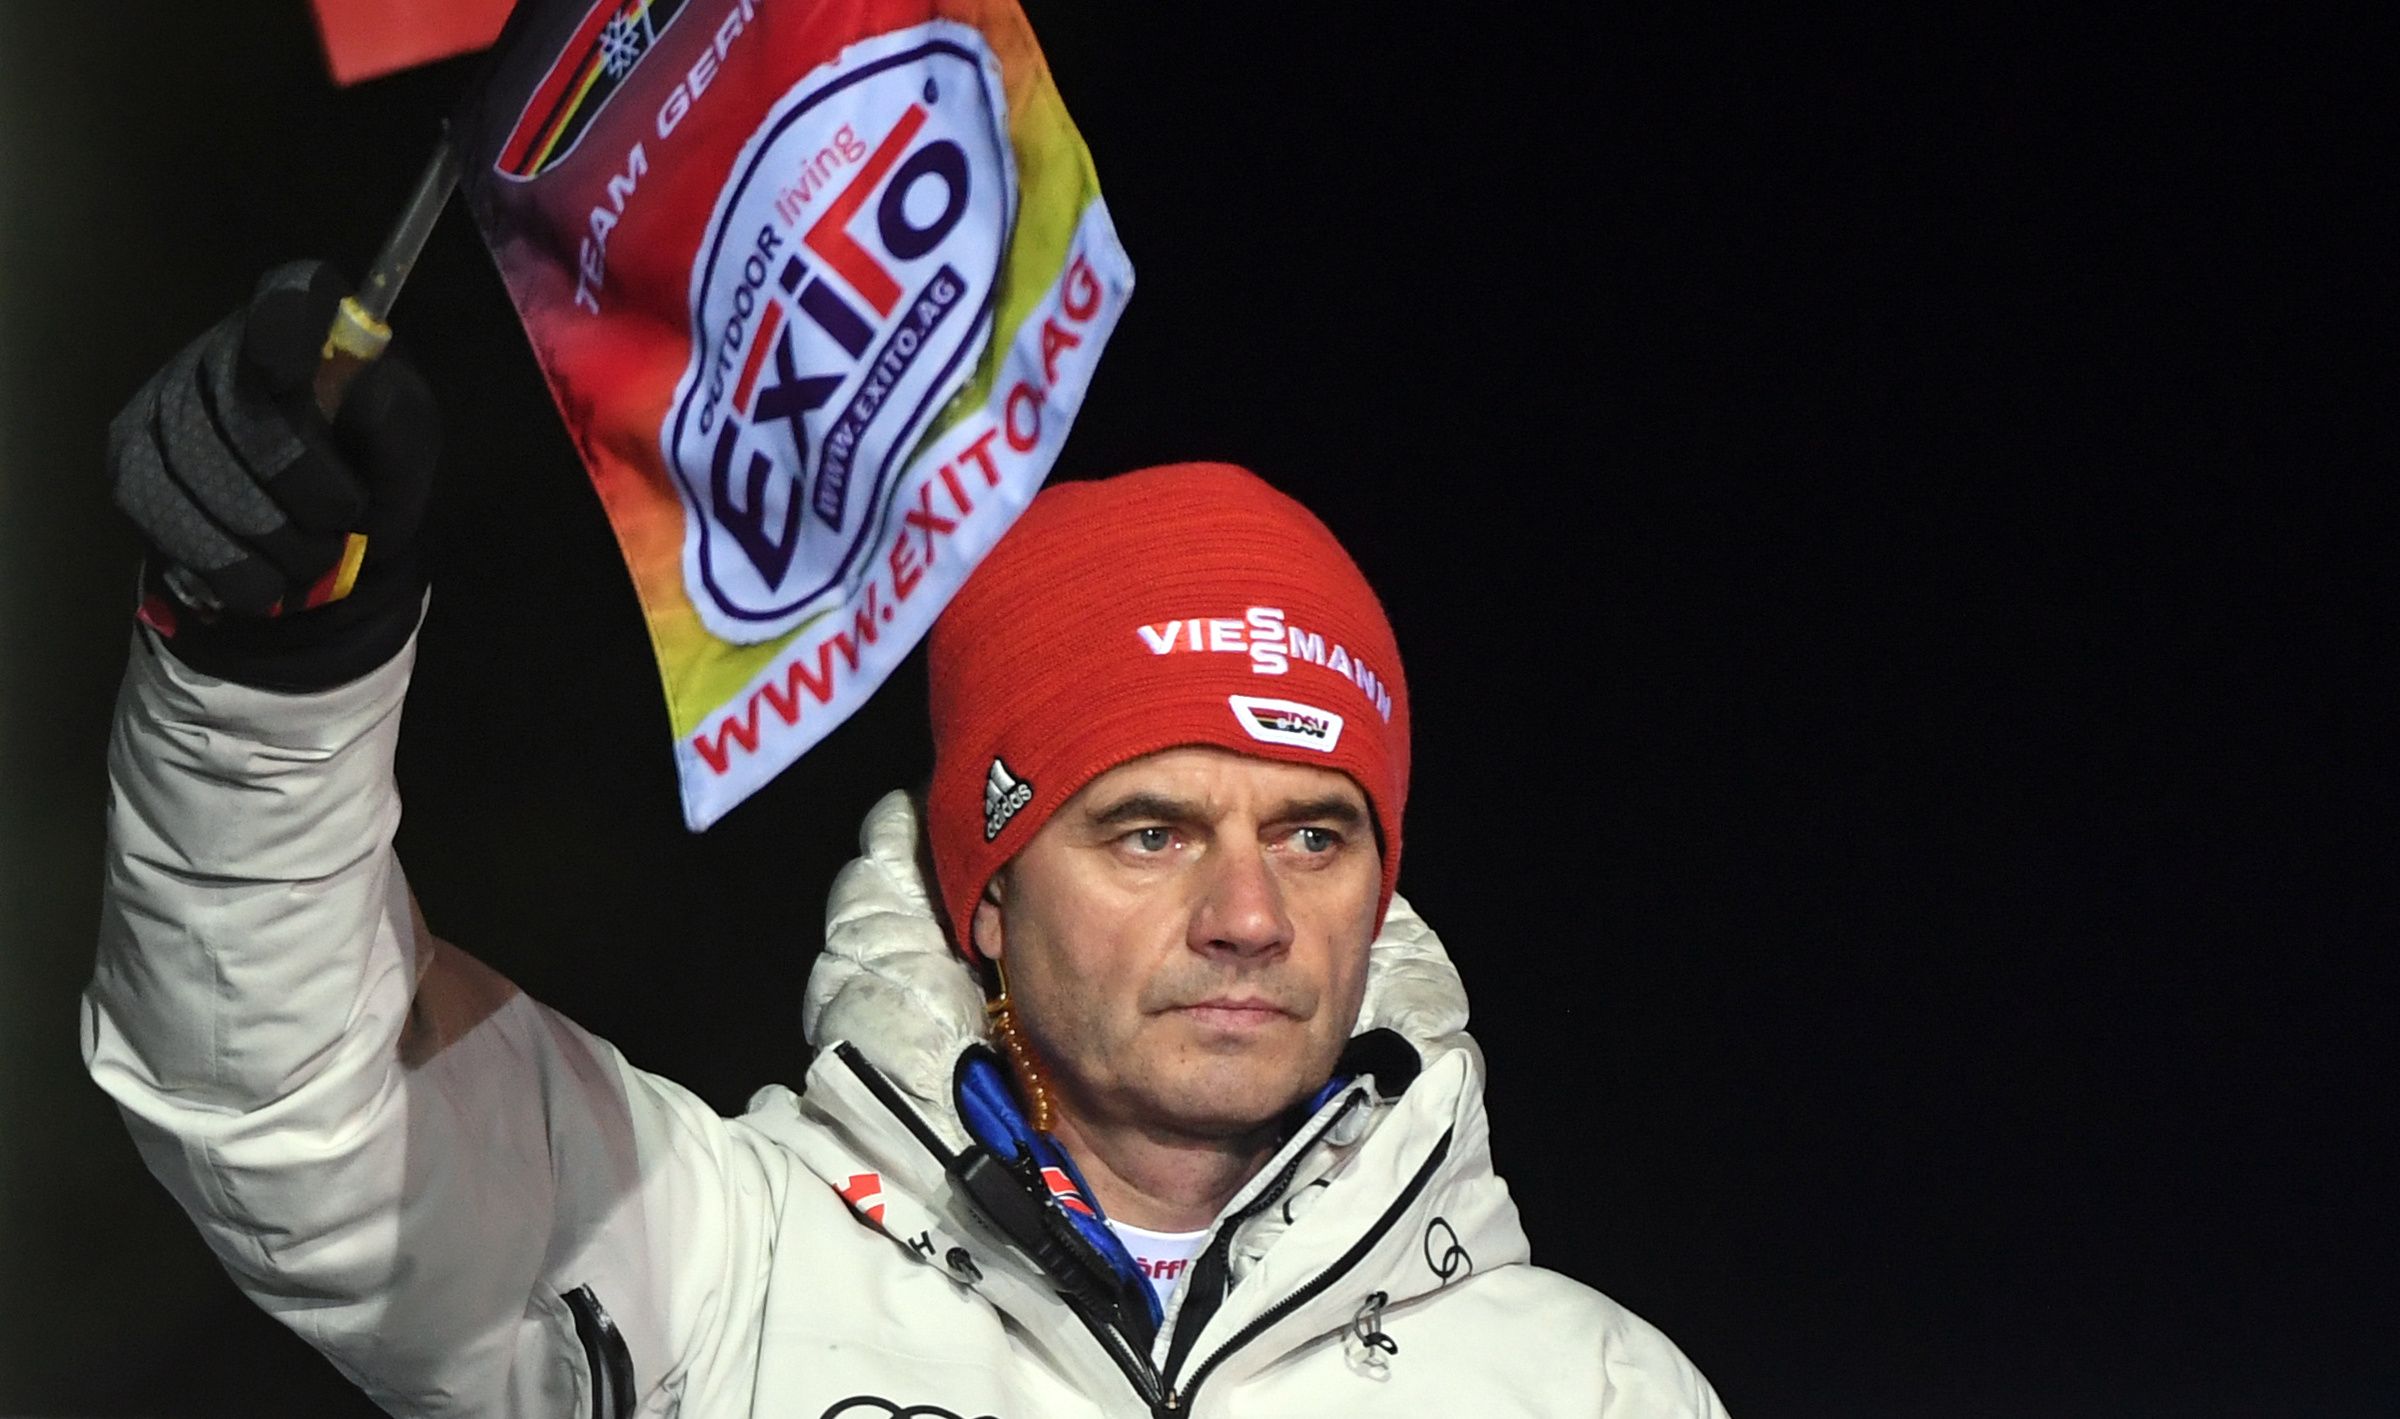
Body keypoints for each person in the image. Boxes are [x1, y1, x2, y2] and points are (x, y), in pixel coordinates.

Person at [86, 265, 1729, 1417]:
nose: (1249, 913)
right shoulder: (713, 1266)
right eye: (1148, 831)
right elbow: (290, 1092)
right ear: (988, 896)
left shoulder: (1592, 1388)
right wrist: (267, 674)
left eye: (1315, 836)